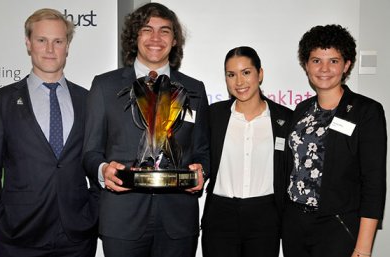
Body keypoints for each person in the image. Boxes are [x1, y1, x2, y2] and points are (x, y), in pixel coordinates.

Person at [82, 2, 209, 257]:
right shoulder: (104, 87)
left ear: (174, 40)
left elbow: (203, 151)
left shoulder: (195, 90)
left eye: (165, 31)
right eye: (147, 29)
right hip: (122, 220)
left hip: (178, 221)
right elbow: (90, 152)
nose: (155, 38)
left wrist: (201, 170)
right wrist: (103, 170)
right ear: (135, 36)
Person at [0, 8, 98, 257]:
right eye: (42, 40)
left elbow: (98, 162)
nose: (50, 49)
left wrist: (94, 215)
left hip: (77, 238)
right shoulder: (1, 102)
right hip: (17, 238)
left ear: (67, 46)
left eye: (58, 41)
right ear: (29, 43)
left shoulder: (89, 100)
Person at [282, 24, 387, 257]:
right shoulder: (301, 111)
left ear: (347, 64)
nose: (324, 68)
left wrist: (363, 248)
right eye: (316, 60)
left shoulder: (366, 111)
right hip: (294, 225)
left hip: (337, 226)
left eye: (334, 60)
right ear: (306, 65)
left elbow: (374, 184)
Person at [201, 46, 292, 257]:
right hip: (220, 215)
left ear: (260, 74)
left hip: (265, 215)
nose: (239, 82)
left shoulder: (285, 119)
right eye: (231, 75)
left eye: (246, 72)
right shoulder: (213, 115)